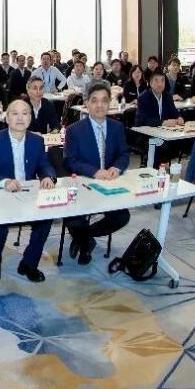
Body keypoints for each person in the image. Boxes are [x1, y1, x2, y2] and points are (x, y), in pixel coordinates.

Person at [0, 99, 57, 287]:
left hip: (28, 195)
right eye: (14, 113)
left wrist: (48, 176)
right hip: (2, 196)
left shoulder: (37, 141)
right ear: (7, 118)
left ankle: (29, 264)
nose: (20, 118)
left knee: (46, 219)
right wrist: (5, 182)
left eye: (25, 113)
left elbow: (44, 165)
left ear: (30, 118)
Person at [62, 83, 131, 265]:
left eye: (104, 101)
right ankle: (86, 243)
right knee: (72, 218)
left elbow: (124, 154)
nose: (99, 105)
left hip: (109, 184)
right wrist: (94, 172)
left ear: (110, 103)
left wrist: (116, 168)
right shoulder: (74, 130)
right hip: (83, 183)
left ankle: (84, 238)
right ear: (87, 104)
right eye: (94, 101)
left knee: (122, 216)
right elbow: (70, 161)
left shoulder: (117, 127)